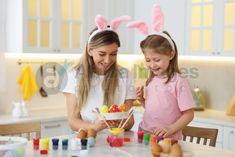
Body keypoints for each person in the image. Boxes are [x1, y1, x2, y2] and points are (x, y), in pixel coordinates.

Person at [62, 15, 136, 132]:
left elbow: (130, 121)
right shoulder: (74, 75)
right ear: (90, 50)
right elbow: (73, 121)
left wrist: (118, 122)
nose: (107, 60)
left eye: (113, 54)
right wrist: (95, 127)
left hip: (115, 139)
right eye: (102, 54)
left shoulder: (125, 75)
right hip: (88, 139)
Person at [136, 31, 195, 139]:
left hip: (168, 138)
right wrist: (142, 100)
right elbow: (155, 111)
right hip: (145, 134)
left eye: (157, 60)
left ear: (171, 55)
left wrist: (171, 128)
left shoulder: (178, 81)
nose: (152, 65)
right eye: (148, 60)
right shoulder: (151, 80)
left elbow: (189, 114)